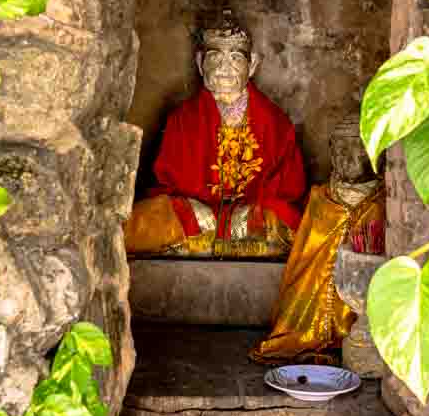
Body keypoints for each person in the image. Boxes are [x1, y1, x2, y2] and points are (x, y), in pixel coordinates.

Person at [124, 14, 307, 257]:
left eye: (235, 58)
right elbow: (163, 186)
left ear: (252, 65)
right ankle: (225, 245)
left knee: (286, 224)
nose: (224, 68)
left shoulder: (276, 123)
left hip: (249, 224)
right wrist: (189, 207)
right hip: (199, 223)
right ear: (200, 63)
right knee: (142, 221)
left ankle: (214, 245)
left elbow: (291, 192)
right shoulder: (181, 119)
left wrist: (254, 209)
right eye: (215, 57)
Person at [251, 116, 384, 364]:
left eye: (358, 149)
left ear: (376, 154)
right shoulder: (320, 197)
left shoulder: (383, 202)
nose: (347, 157)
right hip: (312, 298)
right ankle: (308, 334)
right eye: (340, 149)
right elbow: (305, 257)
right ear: (331, 155)